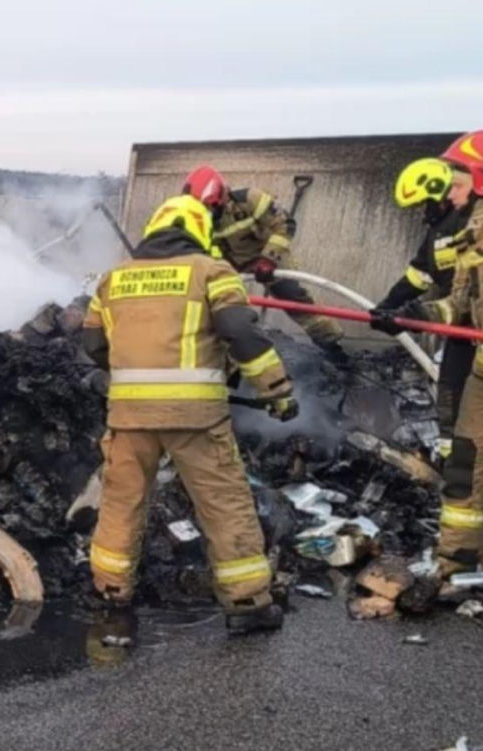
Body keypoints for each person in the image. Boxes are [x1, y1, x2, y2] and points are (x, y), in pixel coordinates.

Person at [82, 194, 298, 634]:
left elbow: (92, 346)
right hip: (195, 419)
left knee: (121, 504)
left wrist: (131, 376)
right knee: (223, 504)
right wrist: (276, 390)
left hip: (128, 418)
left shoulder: (113, 279)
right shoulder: (212, 271)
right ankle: (247, 604)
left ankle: (110, 593)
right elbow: (240, 332)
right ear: (200, 230)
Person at [372, 138, 483, 577]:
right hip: (473, 354)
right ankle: (458, 560)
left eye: (456, 185)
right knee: (465, 457)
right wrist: (403, 313)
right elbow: (460, 302)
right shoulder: (455, 234)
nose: (451, 196)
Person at [182, 165, 347, 363]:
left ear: (222, 196)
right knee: (217, 307)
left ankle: (333, 348)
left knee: (295, 300)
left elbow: (285, 225)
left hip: (268, 256)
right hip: (230, 263)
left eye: (212, 208)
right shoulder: (193, 218)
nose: (209, 214)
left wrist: (268, 258)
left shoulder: (250, 199)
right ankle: (223, 355)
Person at [374, 156, 476, 461]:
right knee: (449, 392)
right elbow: (419, 275)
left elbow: (470, 292)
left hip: (465, 318)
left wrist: (418, 316)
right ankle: (452, 464)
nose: (423, 211)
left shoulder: (474, 220)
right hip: (458, 327)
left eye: (425, 203)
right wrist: (387, 306)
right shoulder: (437, 231)